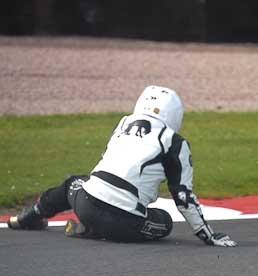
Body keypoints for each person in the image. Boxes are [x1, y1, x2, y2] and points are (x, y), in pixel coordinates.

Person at [8, 85, 237, 247]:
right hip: (125, 222)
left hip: (85, 203)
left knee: (73, 182)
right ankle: (98, 231)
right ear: (174, 113)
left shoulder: (124, 122)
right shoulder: (175, 143)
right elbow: (183, 197)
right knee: (164, 222)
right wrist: (208, 235)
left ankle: (29, 217)